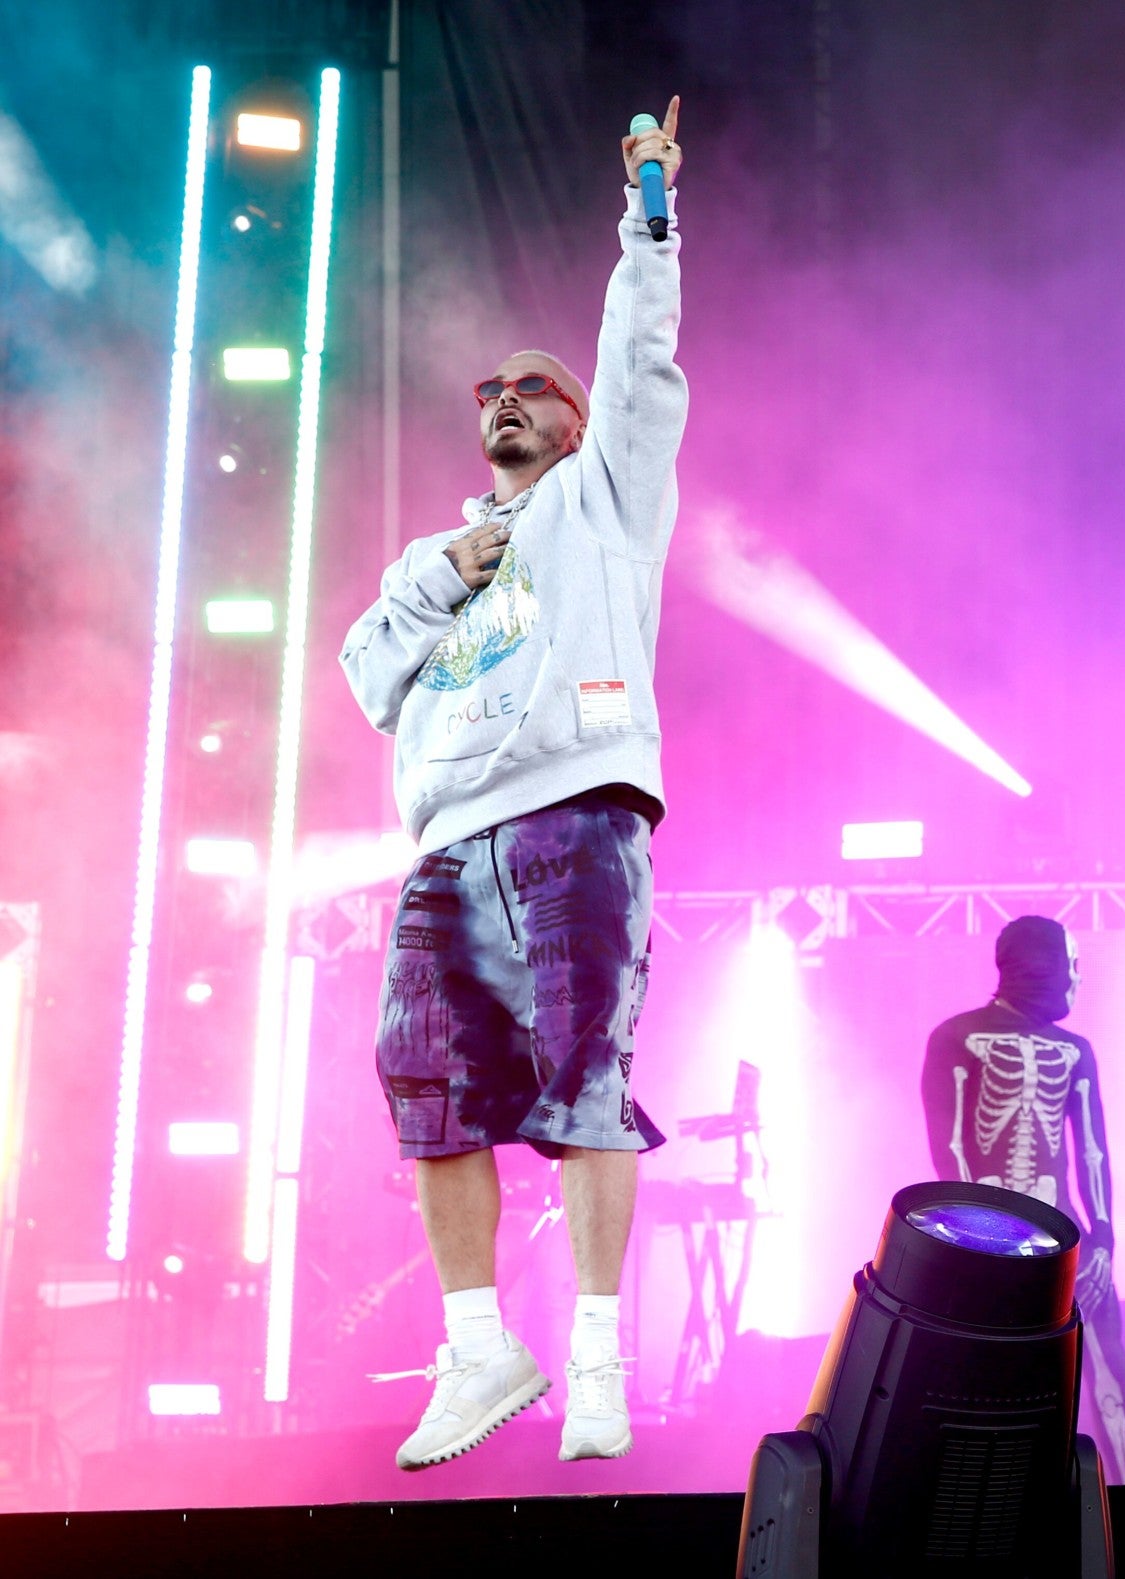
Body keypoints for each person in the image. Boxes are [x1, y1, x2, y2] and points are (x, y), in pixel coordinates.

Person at [339, 101, 687, 1470]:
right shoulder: (433, 558)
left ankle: (596, 1351)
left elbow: (640, 357)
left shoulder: (608, 495)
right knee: (426, 1084)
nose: (505, 396)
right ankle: (481, 1344)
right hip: (446, 840)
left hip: (575, 807)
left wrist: (648, 213)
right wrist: (441, 576)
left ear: (578, 421)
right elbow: (367, 674)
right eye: (491, 386)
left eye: (533, 386)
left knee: (585, 1073)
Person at [922, 916, 1125, 1483]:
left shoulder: (1074, 1050)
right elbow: (950, 1153)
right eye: (1072, 964)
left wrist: (1102, 1243)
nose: (1077, 977)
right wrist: (976, 1244)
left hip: (1066, 1243)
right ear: (1043, 965)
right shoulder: (956, 1038)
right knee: (983, 1383)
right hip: (985, 1246)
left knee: (1109, 1368)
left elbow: (1094, 1153)